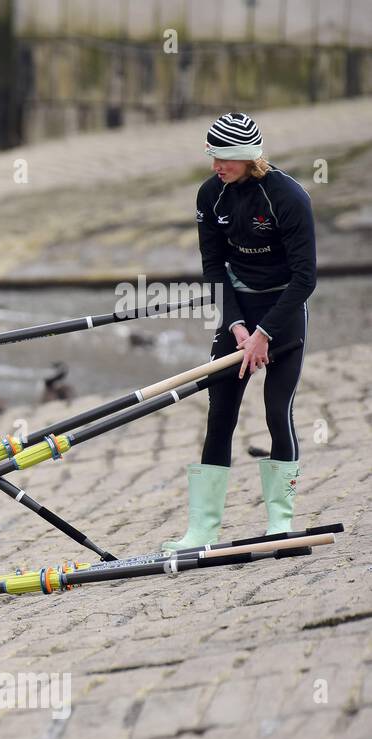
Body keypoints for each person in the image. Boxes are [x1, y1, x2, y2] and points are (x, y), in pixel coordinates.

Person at [164, 112, 315, 551]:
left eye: (225, 158)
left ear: (249, 158)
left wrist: (265, 333)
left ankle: (280, 524)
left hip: (284, 312)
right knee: (219, 416)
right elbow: (213, 269)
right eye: (212, 156)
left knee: (276, 412)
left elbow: (307, 278)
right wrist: (237, 326)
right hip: (237, 315)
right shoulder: (210, 196)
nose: (216, 166)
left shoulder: (287, 197)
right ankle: (202, 531)